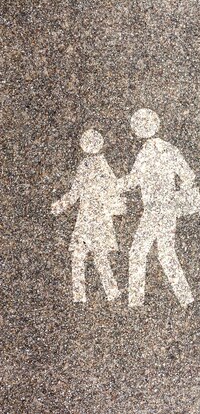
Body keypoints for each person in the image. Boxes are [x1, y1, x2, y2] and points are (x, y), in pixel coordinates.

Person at [118, 108, 200, 307]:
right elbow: (188, 176)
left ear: (138, 129)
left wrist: (113, 186)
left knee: (138, 253)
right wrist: (178, 194)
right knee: (165, 253)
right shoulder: (169, 148)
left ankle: (135, 302)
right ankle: (186, 298)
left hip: (153, 210)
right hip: (169, 208)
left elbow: (133, 180)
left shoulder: (146, 152)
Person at [51, 129, 125, 302]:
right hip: (99, 218)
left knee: (80, 256)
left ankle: (81, 296)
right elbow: (113, 189)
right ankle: (110, 293)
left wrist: (59, 206)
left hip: (88, 218)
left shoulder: (86, 165)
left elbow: (75, 192)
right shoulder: (102, 164)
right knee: (98, 257)